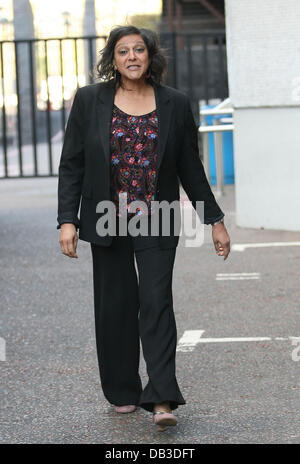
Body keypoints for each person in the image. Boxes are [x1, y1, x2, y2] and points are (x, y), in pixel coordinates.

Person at [57, 25, 230, 432]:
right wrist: (68, 219)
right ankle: (122, 389)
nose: (132, 57)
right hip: (105, 215)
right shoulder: (90, 100)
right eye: (123, 51)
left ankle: (162, 397)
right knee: (116, 304)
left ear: (150, 56)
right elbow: (72, 164)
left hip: (159, 216)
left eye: (139, 49)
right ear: (112, 60)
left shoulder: (174, 103)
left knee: (156, 302)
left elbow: (191, 167)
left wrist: (215, 222)